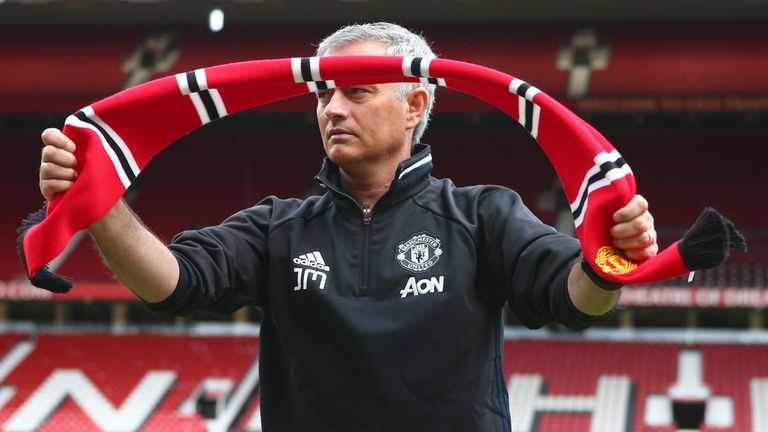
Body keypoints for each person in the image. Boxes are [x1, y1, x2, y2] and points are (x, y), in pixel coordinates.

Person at [38, 22, 658, 431]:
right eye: (323, 95)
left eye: (357, 92)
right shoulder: (276, 226)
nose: (332, 108)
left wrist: (609, 257)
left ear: (414, 105)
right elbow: (173, 286)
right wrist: (100, 203)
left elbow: (576, 301)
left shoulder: (483, 214)